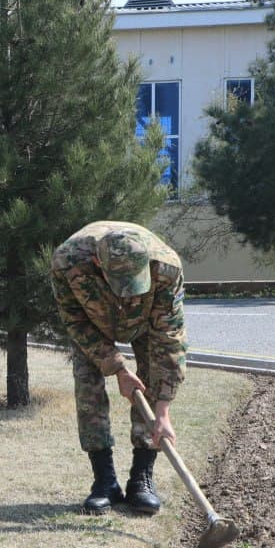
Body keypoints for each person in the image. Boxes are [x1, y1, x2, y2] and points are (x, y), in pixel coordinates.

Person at [50, 220, 187, 516]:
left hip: (146, 324)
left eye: (134, 285)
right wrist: (118, 369)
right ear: (98, 263)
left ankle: (141, 479)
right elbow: (75, 320)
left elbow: (169, 337)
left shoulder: (166, 268)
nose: (128, 295)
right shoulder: (68, 262)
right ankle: (105, 481)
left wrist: (162, 411)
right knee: (88, 389)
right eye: (121, 285)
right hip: (92, 323)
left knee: (152, 382)